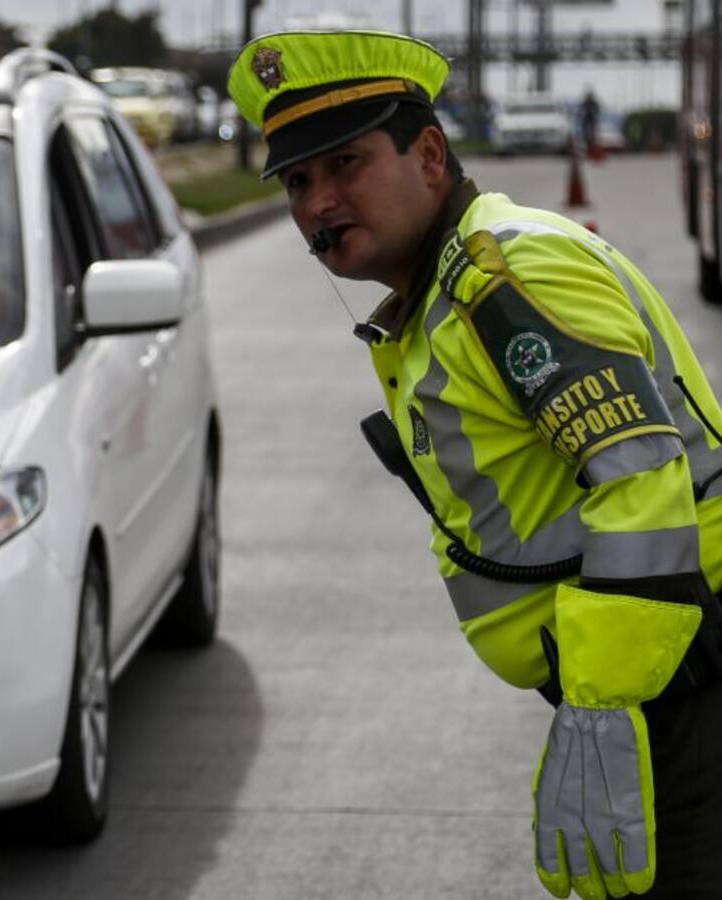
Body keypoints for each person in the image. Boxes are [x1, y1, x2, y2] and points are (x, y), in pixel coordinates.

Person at [227, 30, 722, 900]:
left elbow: (641, 479)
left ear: (428, 154)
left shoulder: (507, 274)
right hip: (659, 671)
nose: (318, 202)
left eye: (345, 163)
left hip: (684, 677)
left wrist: (602, 707)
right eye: (299, 181)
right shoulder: (447, 291)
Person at [580, 87, 601, 155]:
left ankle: (592, 150)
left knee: (593, 137)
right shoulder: (585, 103)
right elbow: (580, 110)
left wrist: (595, 112)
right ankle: (588, 150)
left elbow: (598, 110)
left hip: (592, 121)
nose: (589, 97)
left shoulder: (594, 103)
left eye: (590, 96)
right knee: (586, 136)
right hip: (586, 121)